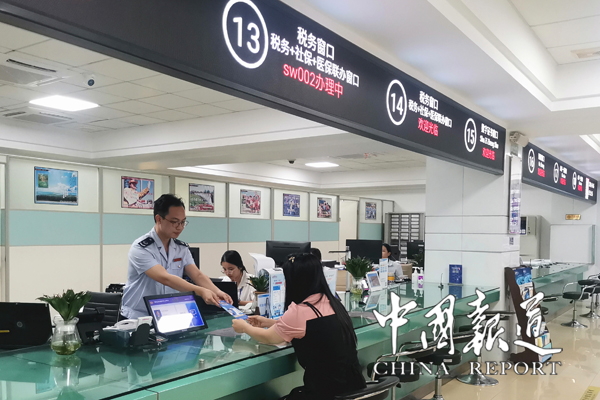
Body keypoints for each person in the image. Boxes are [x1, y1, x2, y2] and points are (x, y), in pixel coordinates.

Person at [232, 254, 366, 400]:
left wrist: (244, 327)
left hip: (325, 393)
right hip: (354, 388)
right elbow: (311, 328)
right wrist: (268, 322)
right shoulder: (332, 302)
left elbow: (268, 338)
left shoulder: (300, 311)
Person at [121, 194, 232, 319]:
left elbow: (197, 275)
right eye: (174, 222)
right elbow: (165, 278)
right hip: (139, 316)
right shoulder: (141, 248)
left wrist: (217, 292)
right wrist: (200, 291)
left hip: (167, 315)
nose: (180, 227)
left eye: (183, 222)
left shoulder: (181, 248)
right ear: (159, 219)